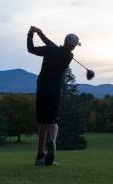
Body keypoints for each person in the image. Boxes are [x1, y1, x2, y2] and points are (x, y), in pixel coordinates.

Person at [27, 26, 80, 166]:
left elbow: (31, 49)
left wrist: (32, 34)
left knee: (43, 124)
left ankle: (40, 157)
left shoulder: (50, 49)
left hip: (42, 87)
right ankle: (53, 142)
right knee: (53, 121)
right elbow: (52, 45)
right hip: (55, 90)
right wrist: (41, 34)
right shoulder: (69, 56)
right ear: (73, 47)